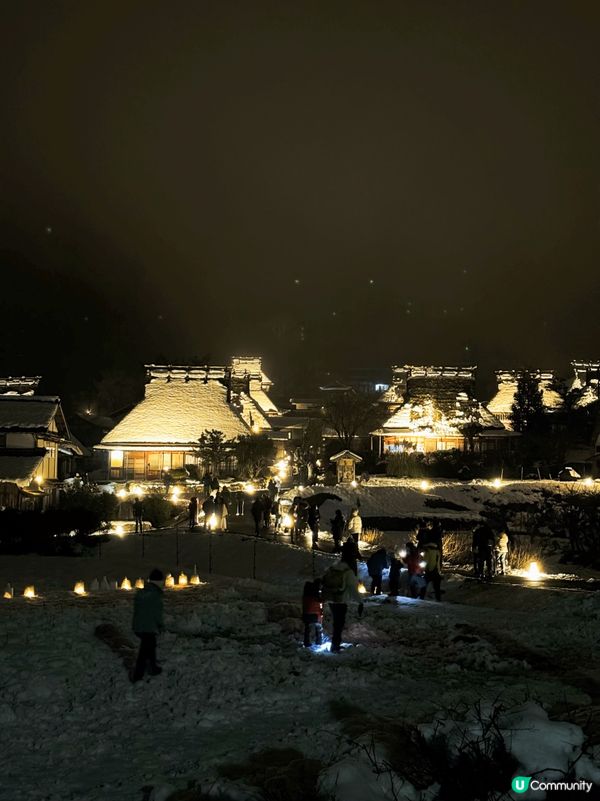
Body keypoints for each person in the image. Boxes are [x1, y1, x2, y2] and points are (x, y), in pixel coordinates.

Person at [321, 555, 364, 653]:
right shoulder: (348, 572)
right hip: (340, 600)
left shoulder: (332, 568)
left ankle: (335, 643)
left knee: (337, 622)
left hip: (331, 599)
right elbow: (353, 589)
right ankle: (335, 645)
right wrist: (360, 601)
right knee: (339, 623)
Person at [131, 568, 165, 682]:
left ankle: (153, 667)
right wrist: (160, 625)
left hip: (138, 626)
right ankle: (137, 675)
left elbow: (138, 610)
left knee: (150, 645)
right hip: (148, 627)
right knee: (144, 652)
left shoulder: (141, 592)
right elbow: (157, 613)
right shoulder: (156, 596)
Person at [302, 579, 323, 647]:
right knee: (318, 627)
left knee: (307, 628)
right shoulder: (317, 595)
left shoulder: (306, 593)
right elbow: (320, 606)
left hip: (306, 612)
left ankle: (306, 643)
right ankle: (319, 642)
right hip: (316, 614)